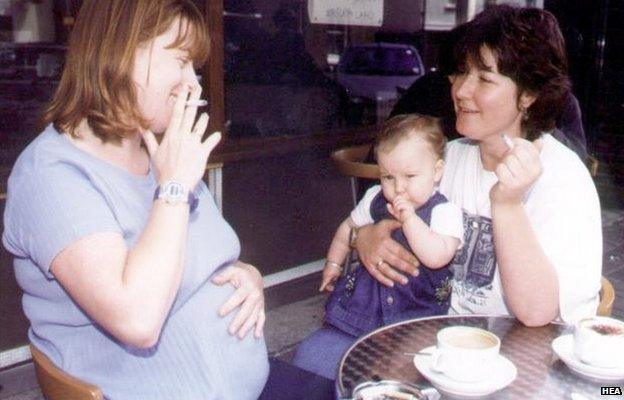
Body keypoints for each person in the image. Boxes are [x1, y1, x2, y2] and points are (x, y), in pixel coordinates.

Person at [2, 1, 271, 399]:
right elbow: (138, 321)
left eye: (194, 67)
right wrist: (175, 188)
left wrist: (248, 274)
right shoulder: (52, 176)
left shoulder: (156, 153)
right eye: (181, 61)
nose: (193, 84)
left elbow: (199, 255)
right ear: (122, 52)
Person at [354, 5, 602, 329]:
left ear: (528, 95)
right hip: (433, 337)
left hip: (521, 355)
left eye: (484, 78)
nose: (461, 90)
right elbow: (385, 218)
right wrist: (365, 237)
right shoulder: (449, 158)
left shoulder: (564, 180)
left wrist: (507, 203)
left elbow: (536, 313)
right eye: (461, 72)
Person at [295, 115, 463, 379]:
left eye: (410, 176)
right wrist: (333, 264)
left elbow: (436, 257)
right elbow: (347, 228)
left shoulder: (445, 211)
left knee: (400, 371)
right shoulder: (375, 199)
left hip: (417, 314)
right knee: (329, 354)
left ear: (437, 171)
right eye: (388, 177)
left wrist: (410, 219)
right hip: (363, 306)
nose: (398, 188)